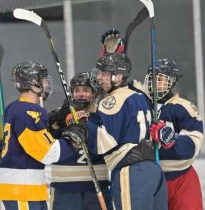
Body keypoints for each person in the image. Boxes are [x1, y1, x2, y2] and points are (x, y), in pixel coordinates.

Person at [62, 53, 168, 210]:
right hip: (154, 171)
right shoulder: (139, 96)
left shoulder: (111, 100)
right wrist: (89, 119)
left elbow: (104, 143)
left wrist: (83, 125)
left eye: (104, 73)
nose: (99, 77)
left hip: (132, 173)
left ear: (118, 77)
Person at [0, 61, 76, 210]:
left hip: (24, 185)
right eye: (43, 79)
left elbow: (25, 143)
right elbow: (47, 153)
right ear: (33, 82)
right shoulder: (27, 112)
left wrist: (53, 127)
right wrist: (72, 140)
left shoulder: (15, 107)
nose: (46, 83)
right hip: (22, 187)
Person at [145, 58, 204, 210]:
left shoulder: (183, 107)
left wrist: (172, 140)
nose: (155, 82)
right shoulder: (140, 106)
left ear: (172, 81)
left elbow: (193, 145)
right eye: (152, 78)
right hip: (149, 178)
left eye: (161, 79)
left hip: (181, 178)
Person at [48, 72, 110, 210]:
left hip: (96, 189)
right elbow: (43, 143)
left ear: (94, 93)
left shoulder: (104, 116)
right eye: (76, 90)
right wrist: (54, 124)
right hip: (64, 190)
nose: (80, 94)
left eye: (86, 90)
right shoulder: (59, 115)